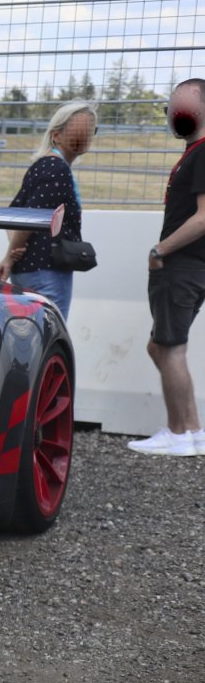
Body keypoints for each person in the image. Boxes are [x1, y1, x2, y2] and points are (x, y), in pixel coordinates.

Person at [126, 78, 205, 455]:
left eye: (181, 106)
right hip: (186, 268)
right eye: (172, 107)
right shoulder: (195, 152)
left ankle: (177, 434)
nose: (173, 114)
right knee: (162, 347)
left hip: (181, 267)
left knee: (169, 348)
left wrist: (160, 250)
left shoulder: (204, 152)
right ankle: (192, 430)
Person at [0, 100, 97, 320]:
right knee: (49, 337)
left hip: (33, 270)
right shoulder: (56, 168)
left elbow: (14, 214)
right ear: (56, 135)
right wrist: (10, 257)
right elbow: (31, 217)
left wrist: (14, 250)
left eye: (91, 130)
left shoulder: (43, 165)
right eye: (81, 129)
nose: (87, 135)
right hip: (46, 270)